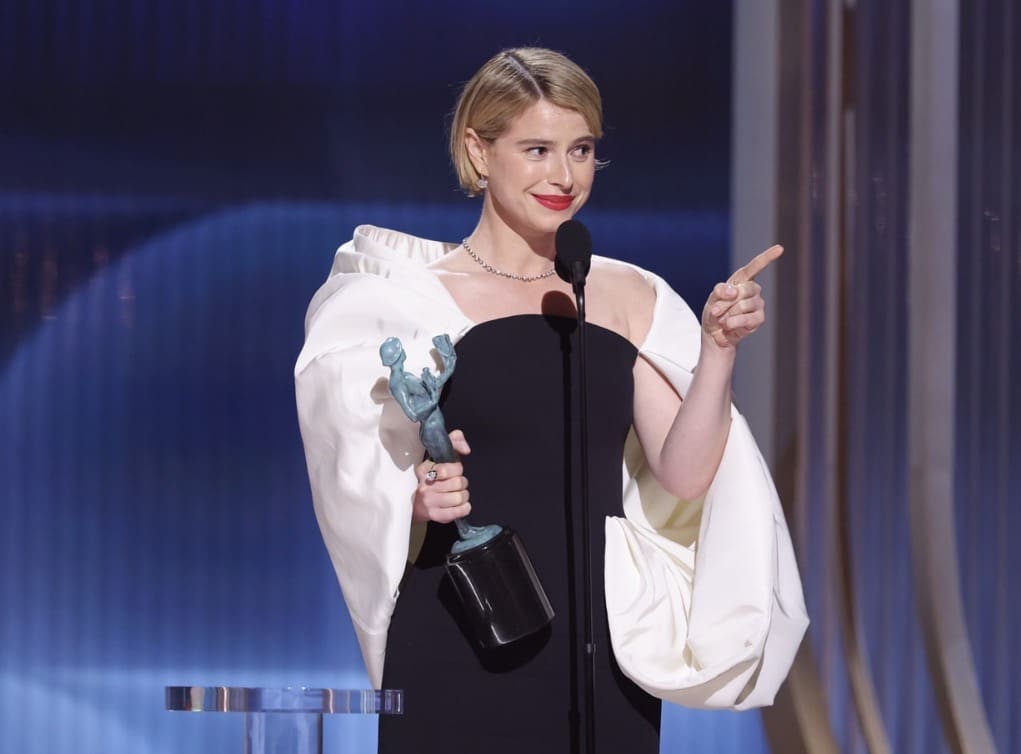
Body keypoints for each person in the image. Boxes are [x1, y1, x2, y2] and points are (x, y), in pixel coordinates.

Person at [295, 48, 808, 754]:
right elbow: (354, 477)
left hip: (598, 634)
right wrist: (412, 501)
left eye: (582, 150)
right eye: (537, 150)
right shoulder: (409, 302)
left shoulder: (625, 295)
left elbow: (685, 474)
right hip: (465, 616)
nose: (564, 176)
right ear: (479, 150)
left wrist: (717, 347)